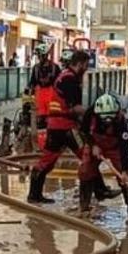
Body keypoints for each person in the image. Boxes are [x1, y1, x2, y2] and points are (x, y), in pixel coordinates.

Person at [27, 49, 91, 206]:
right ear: (81, 64)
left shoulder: (64, 75)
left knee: (48, 160)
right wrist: (92, 113)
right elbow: (75, 107)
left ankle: (34, 195)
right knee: (87, 157)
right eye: (86, 65)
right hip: (65, 126)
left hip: (57, 125)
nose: (87, 68)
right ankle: (91, 195)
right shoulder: (70, 79)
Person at [81, 93, 128, 224]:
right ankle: (84, 206)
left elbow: (125, 147)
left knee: (127, 179)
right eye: (104, 119)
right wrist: (93, 145)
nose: (107, 121)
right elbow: (83, 132)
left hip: (115, 147)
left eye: (110, 118)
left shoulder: (121, 120)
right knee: (85, 170)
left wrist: (124, 170)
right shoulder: (90, 113)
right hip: (95, 144)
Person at [24, 43, 59, 131]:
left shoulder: (55, 68)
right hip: (40, 99)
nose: (38, 58)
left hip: (52, 100)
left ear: (45, 55)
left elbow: (60, 83)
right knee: (40, 122)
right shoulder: (36, 68)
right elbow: (32, 82)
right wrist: (28, 91)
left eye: (39, 55)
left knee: (52, 121)